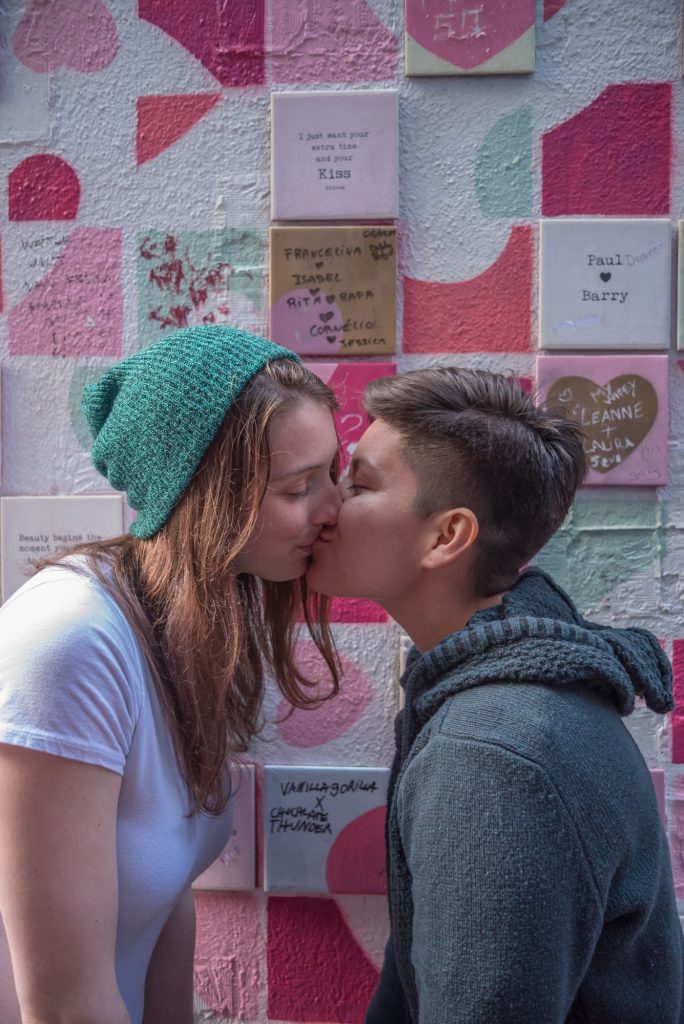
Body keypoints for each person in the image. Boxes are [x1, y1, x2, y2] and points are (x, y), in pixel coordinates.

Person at [307, 366, 683, 1024]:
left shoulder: (492, 756)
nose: (327, 506)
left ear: (446, 536)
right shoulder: (495, 699)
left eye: (358, 484)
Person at [0, 324, 341, 1024]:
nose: (332, 509)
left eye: (333, 474)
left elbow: (166, 892)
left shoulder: (185, 626)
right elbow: (64, 1007)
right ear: (206, 495)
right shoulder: (69, 644)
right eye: (301, 487)